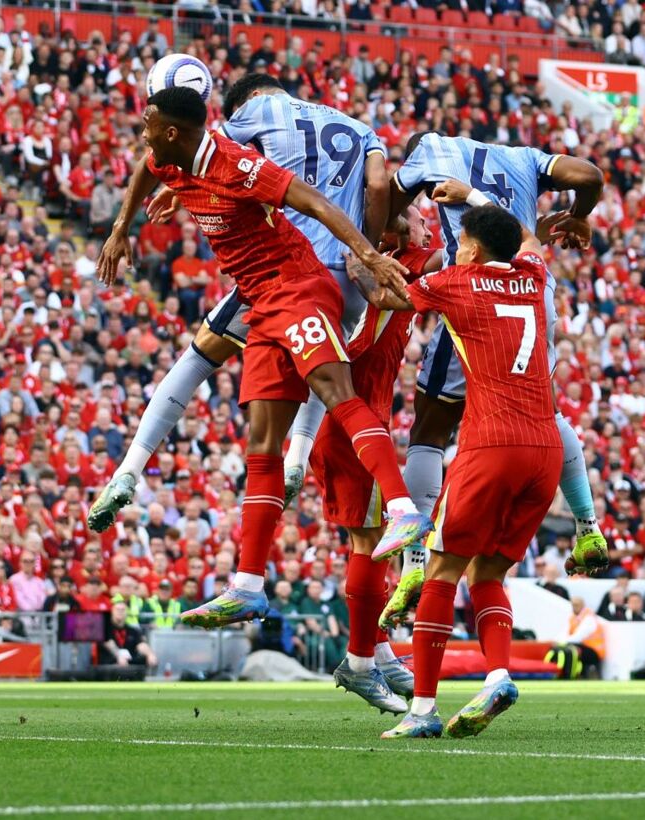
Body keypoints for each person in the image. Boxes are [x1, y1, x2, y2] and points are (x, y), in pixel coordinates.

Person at [88, 87, 431, 630]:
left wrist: (368, 254)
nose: (143, 133)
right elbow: (144, 173)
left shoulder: (239, 165)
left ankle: (403, 511)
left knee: (337, 394)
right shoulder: (169, 160)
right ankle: (247, 586)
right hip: (260, 303)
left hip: (299, 286)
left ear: (172, 131)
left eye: (149, 124)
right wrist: (119, 230)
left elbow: (316, 204)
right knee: (261, 443)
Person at [90, 72, 392, 523]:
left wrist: (154, 204)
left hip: (287, 271)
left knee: (198, 359)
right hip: (349, 276)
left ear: (248, 98)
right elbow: (380, 187)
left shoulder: (257, 115)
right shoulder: (358, 127)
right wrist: (368, 251)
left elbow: (211, 151)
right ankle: (299, 460)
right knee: (326, 376)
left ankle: (128, 470)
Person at [384, 129, 608, 614]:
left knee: (429, 430)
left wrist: (382, 236)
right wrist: (577, 215)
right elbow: (589, 176)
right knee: (543, 409)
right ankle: (588, 525)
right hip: (533, 293)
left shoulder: (429, 152)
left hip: (472, 295)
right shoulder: (523, 157)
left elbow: (382, 206)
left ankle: (414, 561)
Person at [366, 201, 564, 739]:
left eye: (462, 243)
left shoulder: (457, 280)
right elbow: (529, 239)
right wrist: (475, 198)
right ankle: (498, 674)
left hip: (491, 444)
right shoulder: (533, 275)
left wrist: (362, 258)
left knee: (440, 572)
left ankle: (422, 711)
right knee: (488, 573)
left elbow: (386, 296)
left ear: (472, 249)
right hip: (544, 449)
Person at [311, 206, 441, 713]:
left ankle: (379, 651)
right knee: (371, 544)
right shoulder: (397, 260)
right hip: (355, 423)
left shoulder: (379, 260)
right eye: (420, 219)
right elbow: (451, 254)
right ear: (397, 229)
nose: (429, 227)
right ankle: (360, 661)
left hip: (355, 420)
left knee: (369, 542)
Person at [98, 599, 157, 669]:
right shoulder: (105, 629)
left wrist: (150, 654)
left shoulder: (133, 630)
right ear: (112, 612)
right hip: (110, 665)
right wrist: (119, 655)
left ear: (127, 612)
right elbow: (109, 643)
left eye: (123, 610)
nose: (120, 612)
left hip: (129, 664)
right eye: (117, 609)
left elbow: (141, 644)